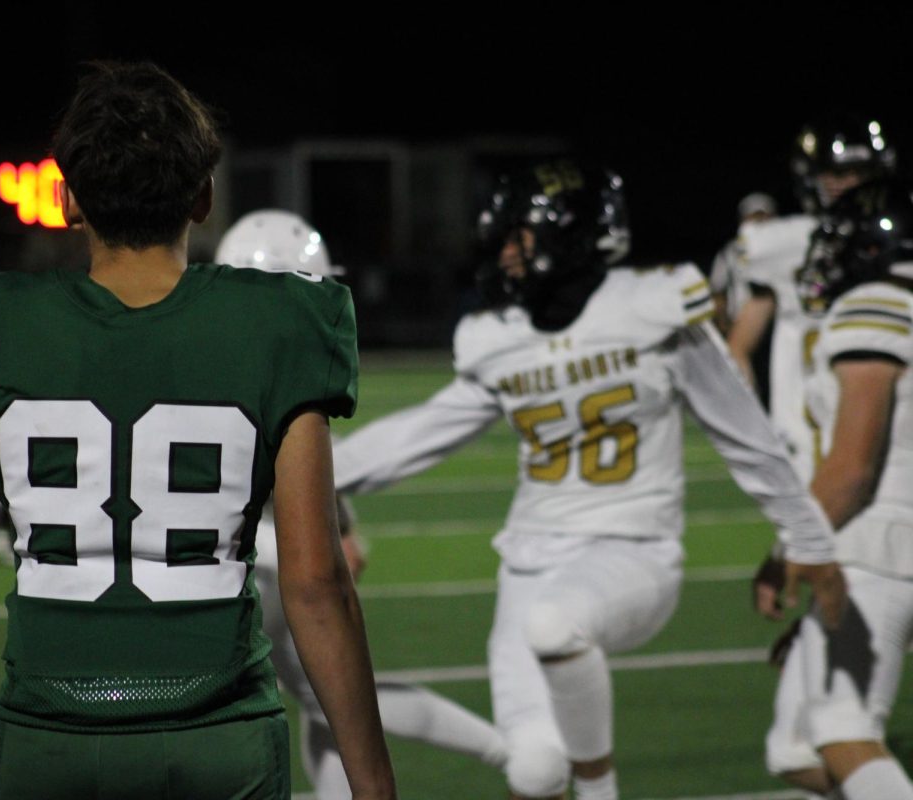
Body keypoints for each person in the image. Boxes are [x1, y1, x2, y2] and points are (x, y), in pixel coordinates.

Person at [0, 61, 396, 800]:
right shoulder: (282, 322)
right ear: (204, 197)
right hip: (219, 738)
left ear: (68, 202)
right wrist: (374, 786)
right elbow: (316, 585)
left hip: (47, 740)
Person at [331, 159, 846, 800]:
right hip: (528, 563)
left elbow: (745, 435)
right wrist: (307, 474)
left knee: (555, 626)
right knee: (535, 769)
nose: (507, 254)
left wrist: (810, 538)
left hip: (632, 551)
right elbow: (421, 434)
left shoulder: (650, 306)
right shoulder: (502, 337)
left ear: (569, 235)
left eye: (520, 237)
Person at [216, 210, 508, 799]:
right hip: (247, 558)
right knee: (325, 696)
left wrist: (336, 525)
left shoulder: (226, 355)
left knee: (322, 695)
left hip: (244, 562)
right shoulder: (265, 362)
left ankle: (513, 756)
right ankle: (510, 754)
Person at [758, 179, 913, 799]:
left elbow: (851, 469)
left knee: (842, 728)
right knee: (793, 748)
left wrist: (787, 556)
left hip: (879, 542)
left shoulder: (875, 303)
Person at [727, 115, 896, 480]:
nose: (849, 185)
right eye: (835, 176)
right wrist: (748, 423)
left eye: (860, 173)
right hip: (807, 447)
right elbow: (739, 346)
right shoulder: (781, 244)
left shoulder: (898, 243)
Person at [709, 191, 776, 333]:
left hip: (778, 325)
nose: (759, 222)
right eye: (754, 217)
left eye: (764, 216)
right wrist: (722, 323)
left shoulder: (787, 248)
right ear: (743, 220)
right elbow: (717, 291)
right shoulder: (730, 252)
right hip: (740, 324)